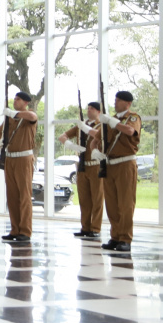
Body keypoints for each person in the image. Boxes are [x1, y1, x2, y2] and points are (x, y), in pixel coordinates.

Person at [96, 91, 141, 252]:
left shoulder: (133, 117)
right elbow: (99, 137)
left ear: (127, 103)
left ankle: (125, 238)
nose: (115, 102)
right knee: (112, 203)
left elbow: (129, 131)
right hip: (110, 163)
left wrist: (111, 122)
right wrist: (96, 149)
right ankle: (115, 236)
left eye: (119, 100)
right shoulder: (110, 120)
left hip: (125, 163)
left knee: (125, 203)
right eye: (115, 100)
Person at [0, 91, 39, 242]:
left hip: (24, 159)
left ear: (26, 102)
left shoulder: (28, 115)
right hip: (10, 159)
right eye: (14, 98)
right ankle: (15, 229)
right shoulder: (9, 119)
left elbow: (33, 117)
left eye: (18, 99)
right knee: (12, 196)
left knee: (24, 195)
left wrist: (14, 113)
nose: (15, 100)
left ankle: (25, 231)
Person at [59, 102, 104, 239]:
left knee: (97, 198)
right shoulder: (80, 126)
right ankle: (85, 227)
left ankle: (95, 228)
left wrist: (85, 128)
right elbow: (62, 136)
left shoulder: (101, 125)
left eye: (92, 109)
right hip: (82, 165)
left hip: (96, 164)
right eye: (88, 108)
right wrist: (70, 144)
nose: (89, 110)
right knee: (84, 199)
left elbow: (100, 135)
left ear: (98, 112)